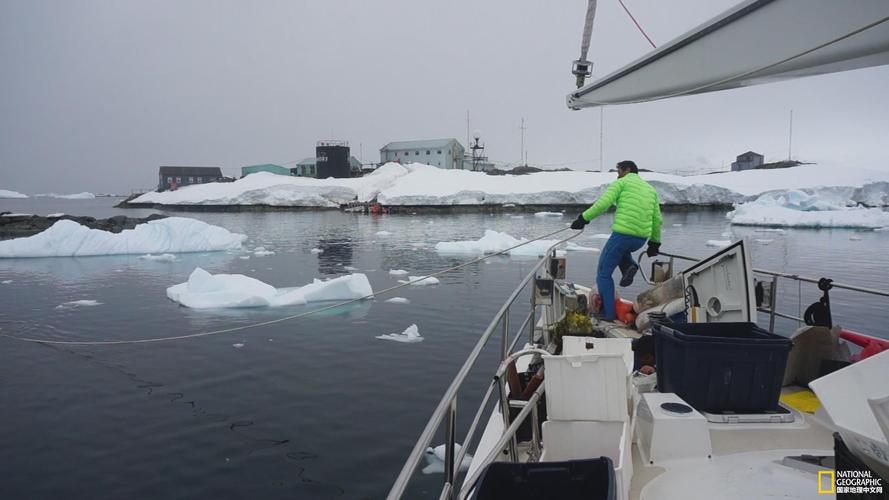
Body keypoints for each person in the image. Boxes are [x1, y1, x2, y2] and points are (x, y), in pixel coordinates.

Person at [570, 160, 663, 321]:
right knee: (622, 250)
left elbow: (603, 204)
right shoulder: (650, 190)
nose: (617, 174)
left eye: (618, 171)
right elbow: (657, 219)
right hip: (640, 239)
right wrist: (654, 243)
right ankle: (629, 265)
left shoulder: (621, 183)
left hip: (622, 235)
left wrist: (583, 218)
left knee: (603, 275)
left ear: (627, 170)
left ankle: (608, 314)